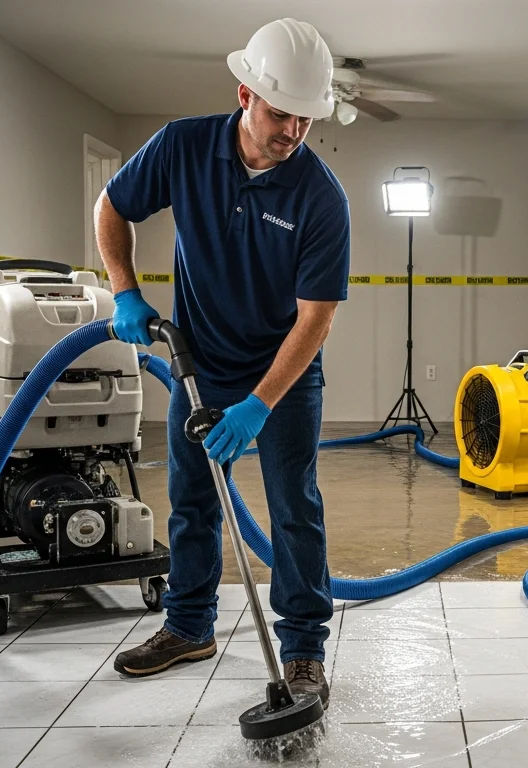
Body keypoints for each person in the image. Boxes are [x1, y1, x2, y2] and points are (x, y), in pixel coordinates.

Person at [93, 18, 348, 707]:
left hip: (283, 374)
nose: (292, 130)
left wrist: (260, 404)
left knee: (295, 509)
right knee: (193, 501)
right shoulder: (182, 146)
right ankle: (188, 626)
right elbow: (111, 207)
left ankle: (302, 653)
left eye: (305, 117)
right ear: (245, 94)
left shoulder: (321, 198)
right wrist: (124, 290)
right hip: (199, 364)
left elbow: (315, 317)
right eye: (279, 112)